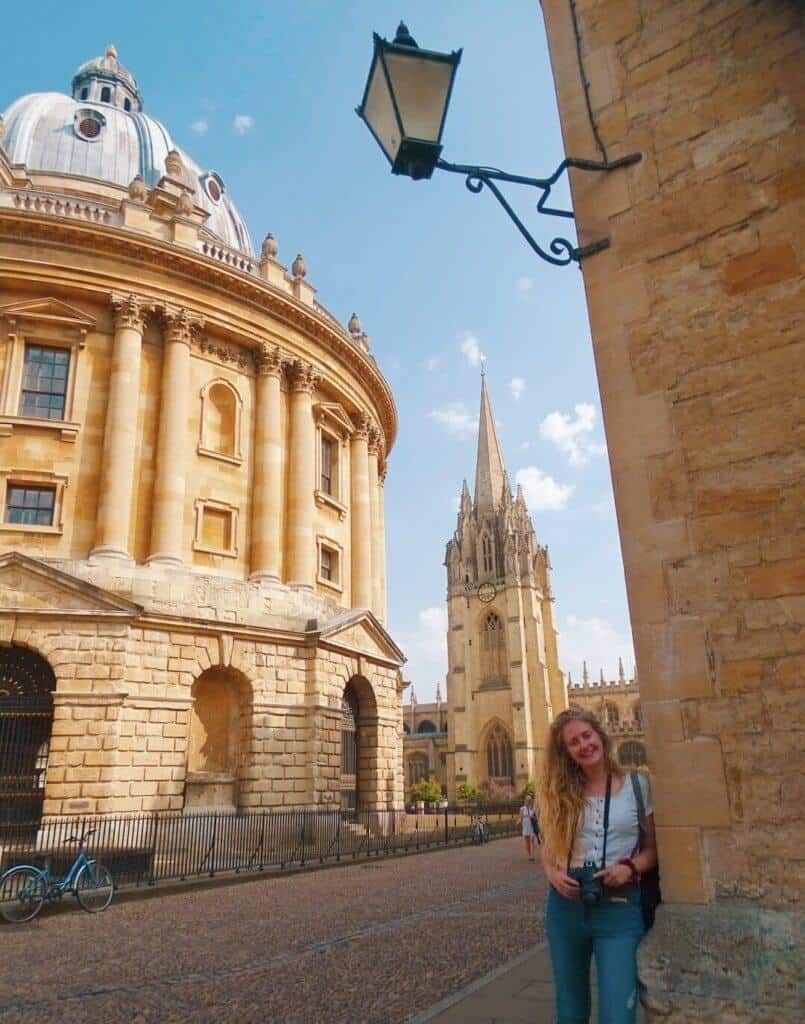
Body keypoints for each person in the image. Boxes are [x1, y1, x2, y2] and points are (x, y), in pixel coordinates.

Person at [538, 708, 657, 1024]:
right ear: (566, 752)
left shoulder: (636, 786)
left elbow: (652, 851)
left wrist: (630, 869)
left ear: (600, 735)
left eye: (587, 736)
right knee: (570, 1010)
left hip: (618, 905)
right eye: (573, 742)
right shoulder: (559, 792)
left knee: (618, 1014)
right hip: (565, 907)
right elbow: (548, 852)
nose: (583, 745)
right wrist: (553, 874)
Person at [520, 794, 537, 861]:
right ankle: (529, 855)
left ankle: (532, 855)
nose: (528, 801)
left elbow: (537, 818)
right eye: (527, 800)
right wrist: (521, 827)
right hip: (525, 825)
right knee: (527, 841)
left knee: (532, 840)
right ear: (525, 801)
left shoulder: (533, 808)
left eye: (530, 800)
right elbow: (521, 818)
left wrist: (533, 817)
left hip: (532, 825)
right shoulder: (522, 809)